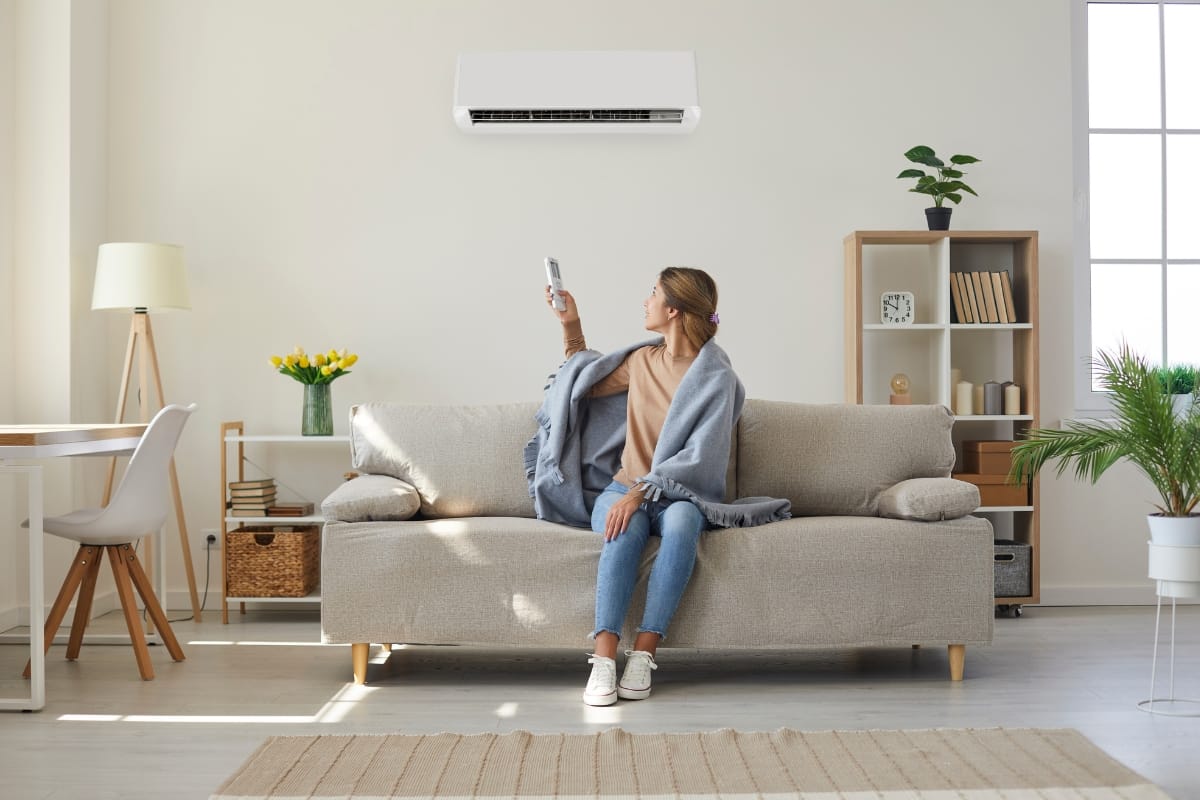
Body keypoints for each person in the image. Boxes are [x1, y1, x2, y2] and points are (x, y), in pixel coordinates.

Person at [535, 267, 788, 706]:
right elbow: (582, 378)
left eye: (652, 293)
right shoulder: (641, 362)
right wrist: (570, 324)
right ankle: (604, 658)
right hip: (621, 489)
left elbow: (700, 458)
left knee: (684, 520)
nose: (645, 301)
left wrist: (641, 492)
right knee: (625, 526)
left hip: (680, 495)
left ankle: (644, 655)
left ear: (672, 310)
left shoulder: (716, 378)